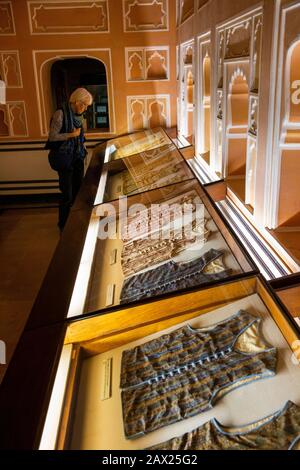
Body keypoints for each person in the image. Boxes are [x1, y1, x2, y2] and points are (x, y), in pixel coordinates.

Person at [47, 88, 93, 231]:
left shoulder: (79, 117)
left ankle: (75, 224)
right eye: (84, 105)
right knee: (67, 194)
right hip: (64, 159)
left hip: (77, 157)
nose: (85, 108)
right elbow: (52, 137)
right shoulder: (60, 113)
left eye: (87, 106)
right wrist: (71, 135)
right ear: (76, 101)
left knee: (78, 192)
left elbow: (80, 136)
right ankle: (63, 226)